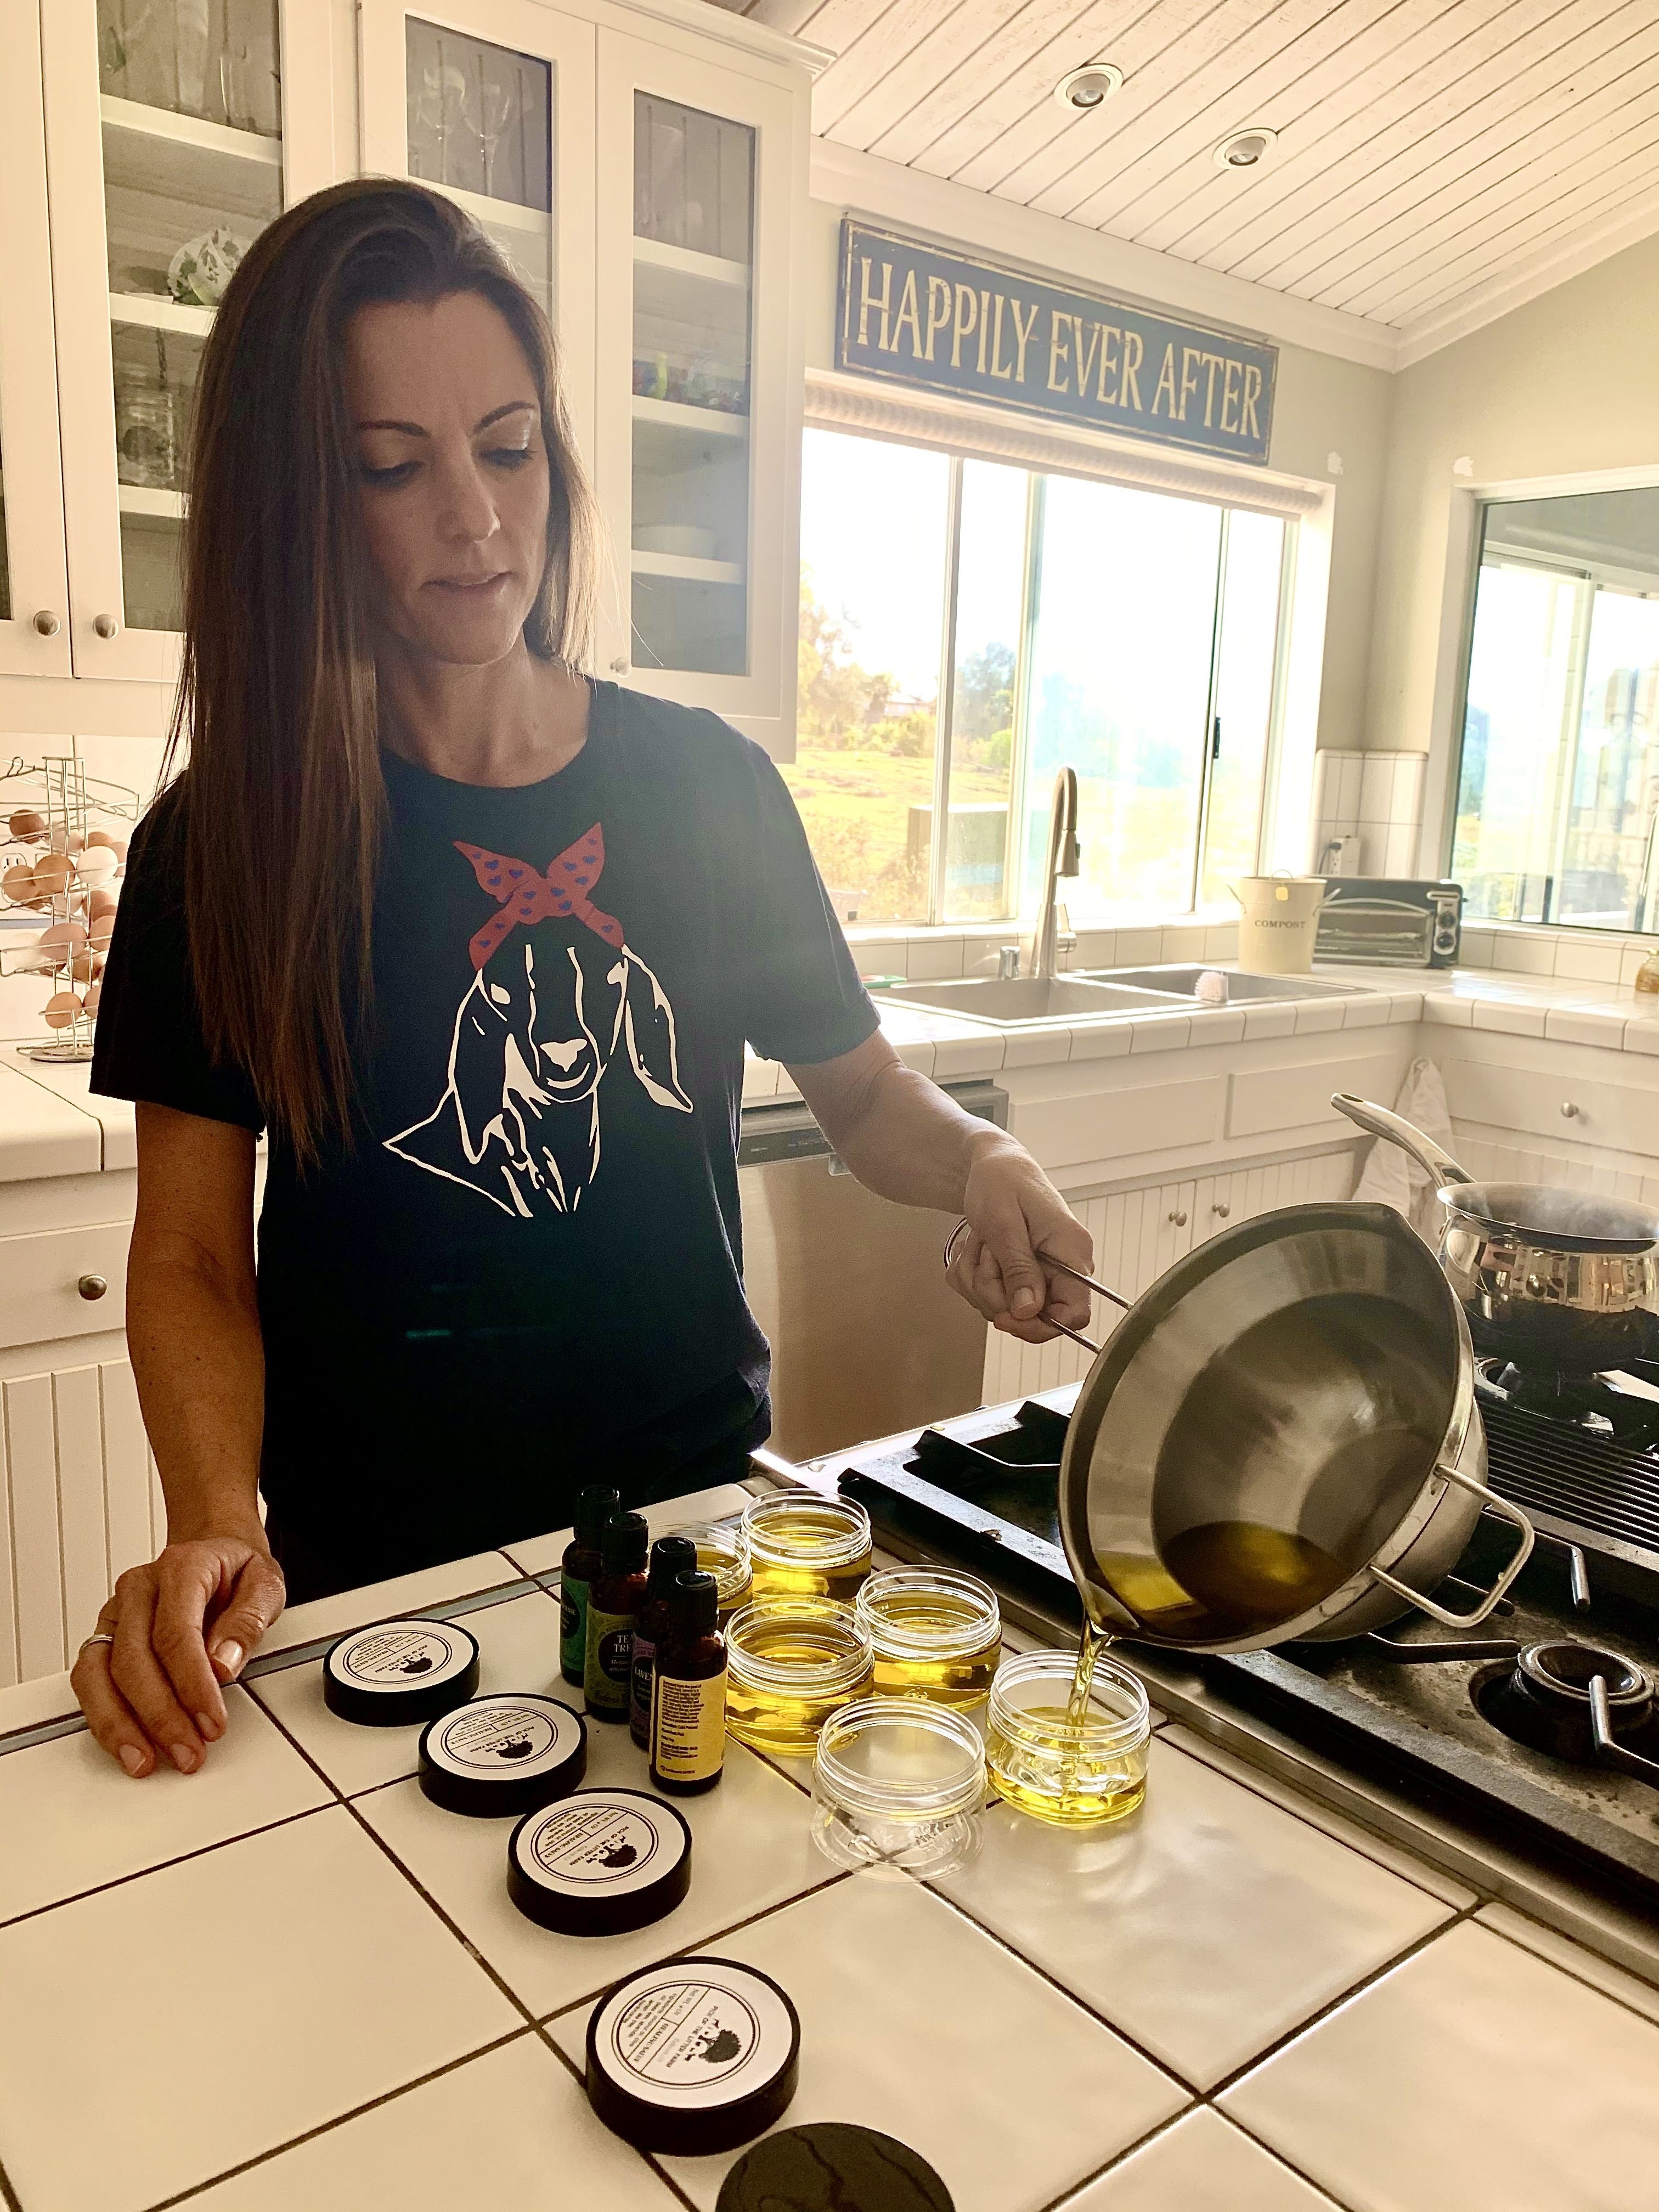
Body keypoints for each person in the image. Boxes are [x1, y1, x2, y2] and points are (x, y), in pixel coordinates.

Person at [74, 180, 1092, 1780]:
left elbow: (867, 1097)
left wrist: (982, 1160)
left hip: (688, 1539)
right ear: (302, 501)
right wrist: (215, 1517)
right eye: (393, 467)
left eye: (509, 446)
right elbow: (193, 1255)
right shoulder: (221, 849)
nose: (476, 518)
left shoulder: (709, 789)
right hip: (373, 1580)